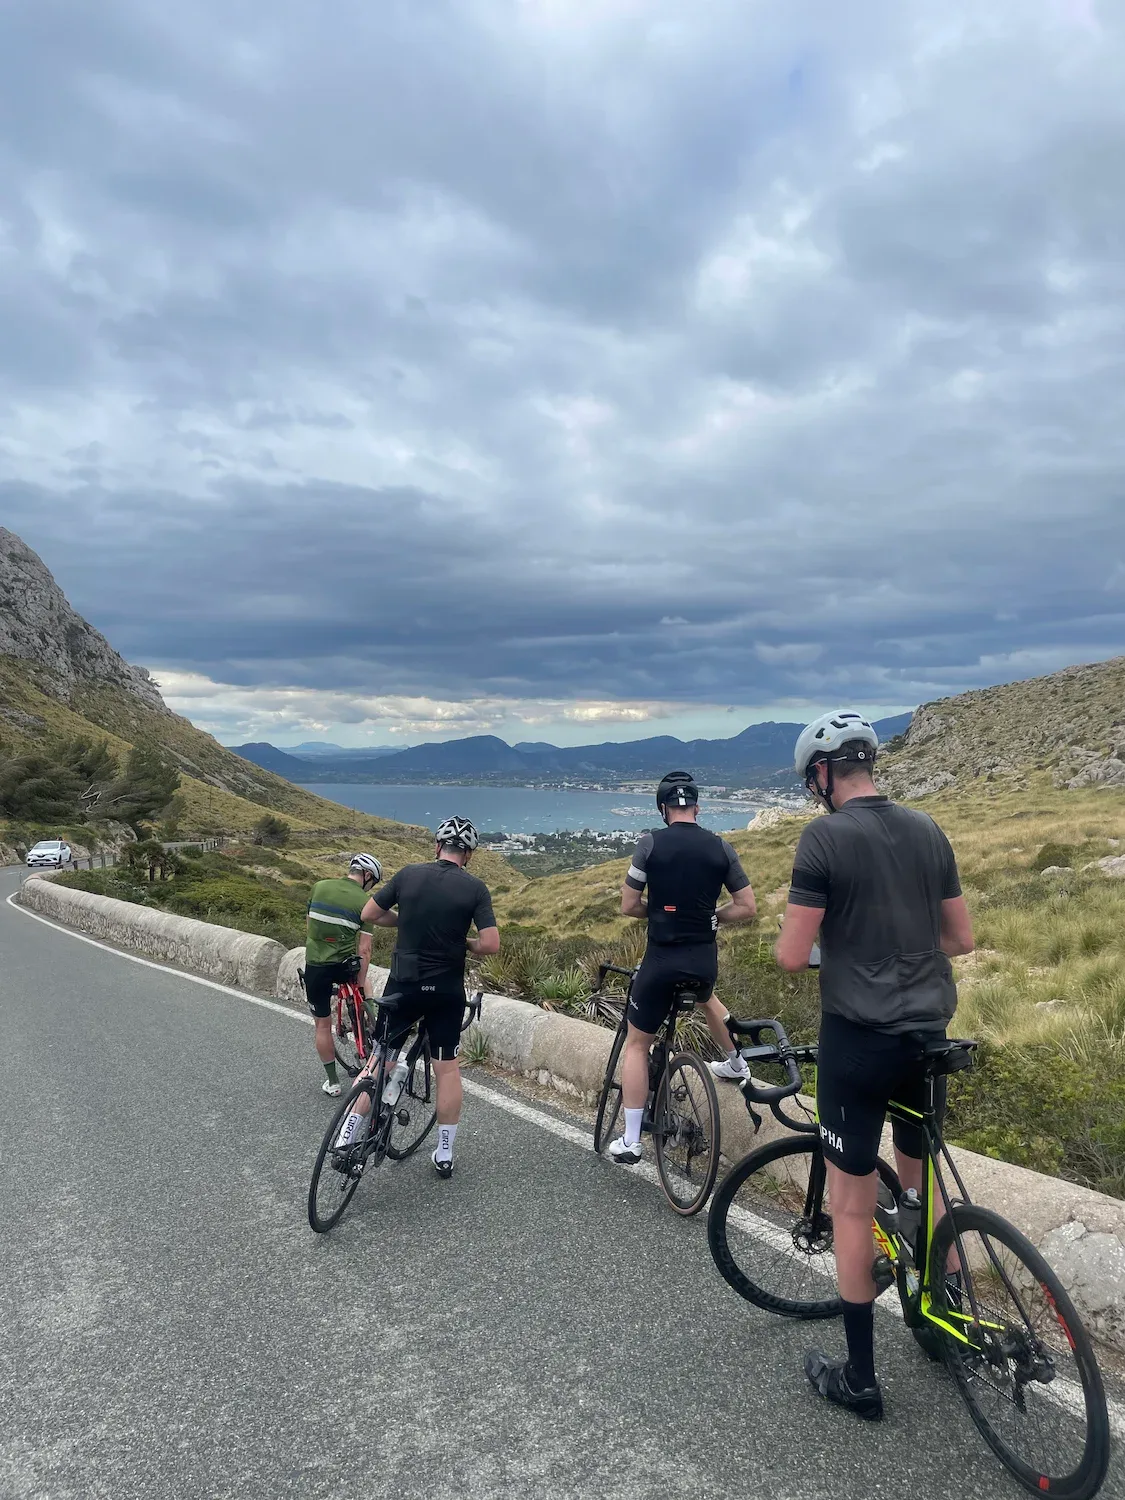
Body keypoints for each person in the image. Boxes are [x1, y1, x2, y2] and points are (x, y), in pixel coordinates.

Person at [775, 709, 974, 1422]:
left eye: (811, 782)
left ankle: (859, 1378)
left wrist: (849, 952)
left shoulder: (823, 837)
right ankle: (945, 1319)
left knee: (851, 1205)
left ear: (823, 774)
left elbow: (792, 956)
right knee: (923, 1182)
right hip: (928, 1033)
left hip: (858, 1043)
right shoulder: (926, 828)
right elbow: (960, 938)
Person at [611, 771, 758, 1163]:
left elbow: (627, 905)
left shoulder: (650, 843)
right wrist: (711, 917)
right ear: (697, 807)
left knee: (637, 1044)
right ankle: (737, 1063)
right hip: (702, 960)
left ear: (663, 809)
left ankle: (630, 1139)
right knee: (707, 998)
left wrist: (659, 913)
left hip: (661, 960)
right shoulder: (720, 847)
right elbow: (747, 906)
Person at [342, 815, 499, 1179]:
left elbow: (369, 913)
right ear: (469, 855)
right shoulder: (475, 888)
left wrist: (406, 920)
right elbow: (490, 944)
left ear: (436, 847)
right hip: (446, 992)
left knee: (379, 1061)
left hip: (404, 986)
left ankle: (345, 1136)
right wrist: (466, 943)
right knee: (447, 1070)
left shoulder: (409, 874)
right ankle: (444, 1154)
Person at [303, 853, 383, 1096]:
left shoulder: (319, 887)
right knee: (364, 979)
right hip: (345, 966)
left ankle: (333, 1083)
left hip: (316, 965)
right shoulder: (366, 901)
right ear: (367, 876)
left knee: (322, 1025)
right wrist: (358, 983)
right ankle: (372, 1017)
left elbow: (309, 926)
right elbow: (365, 950)